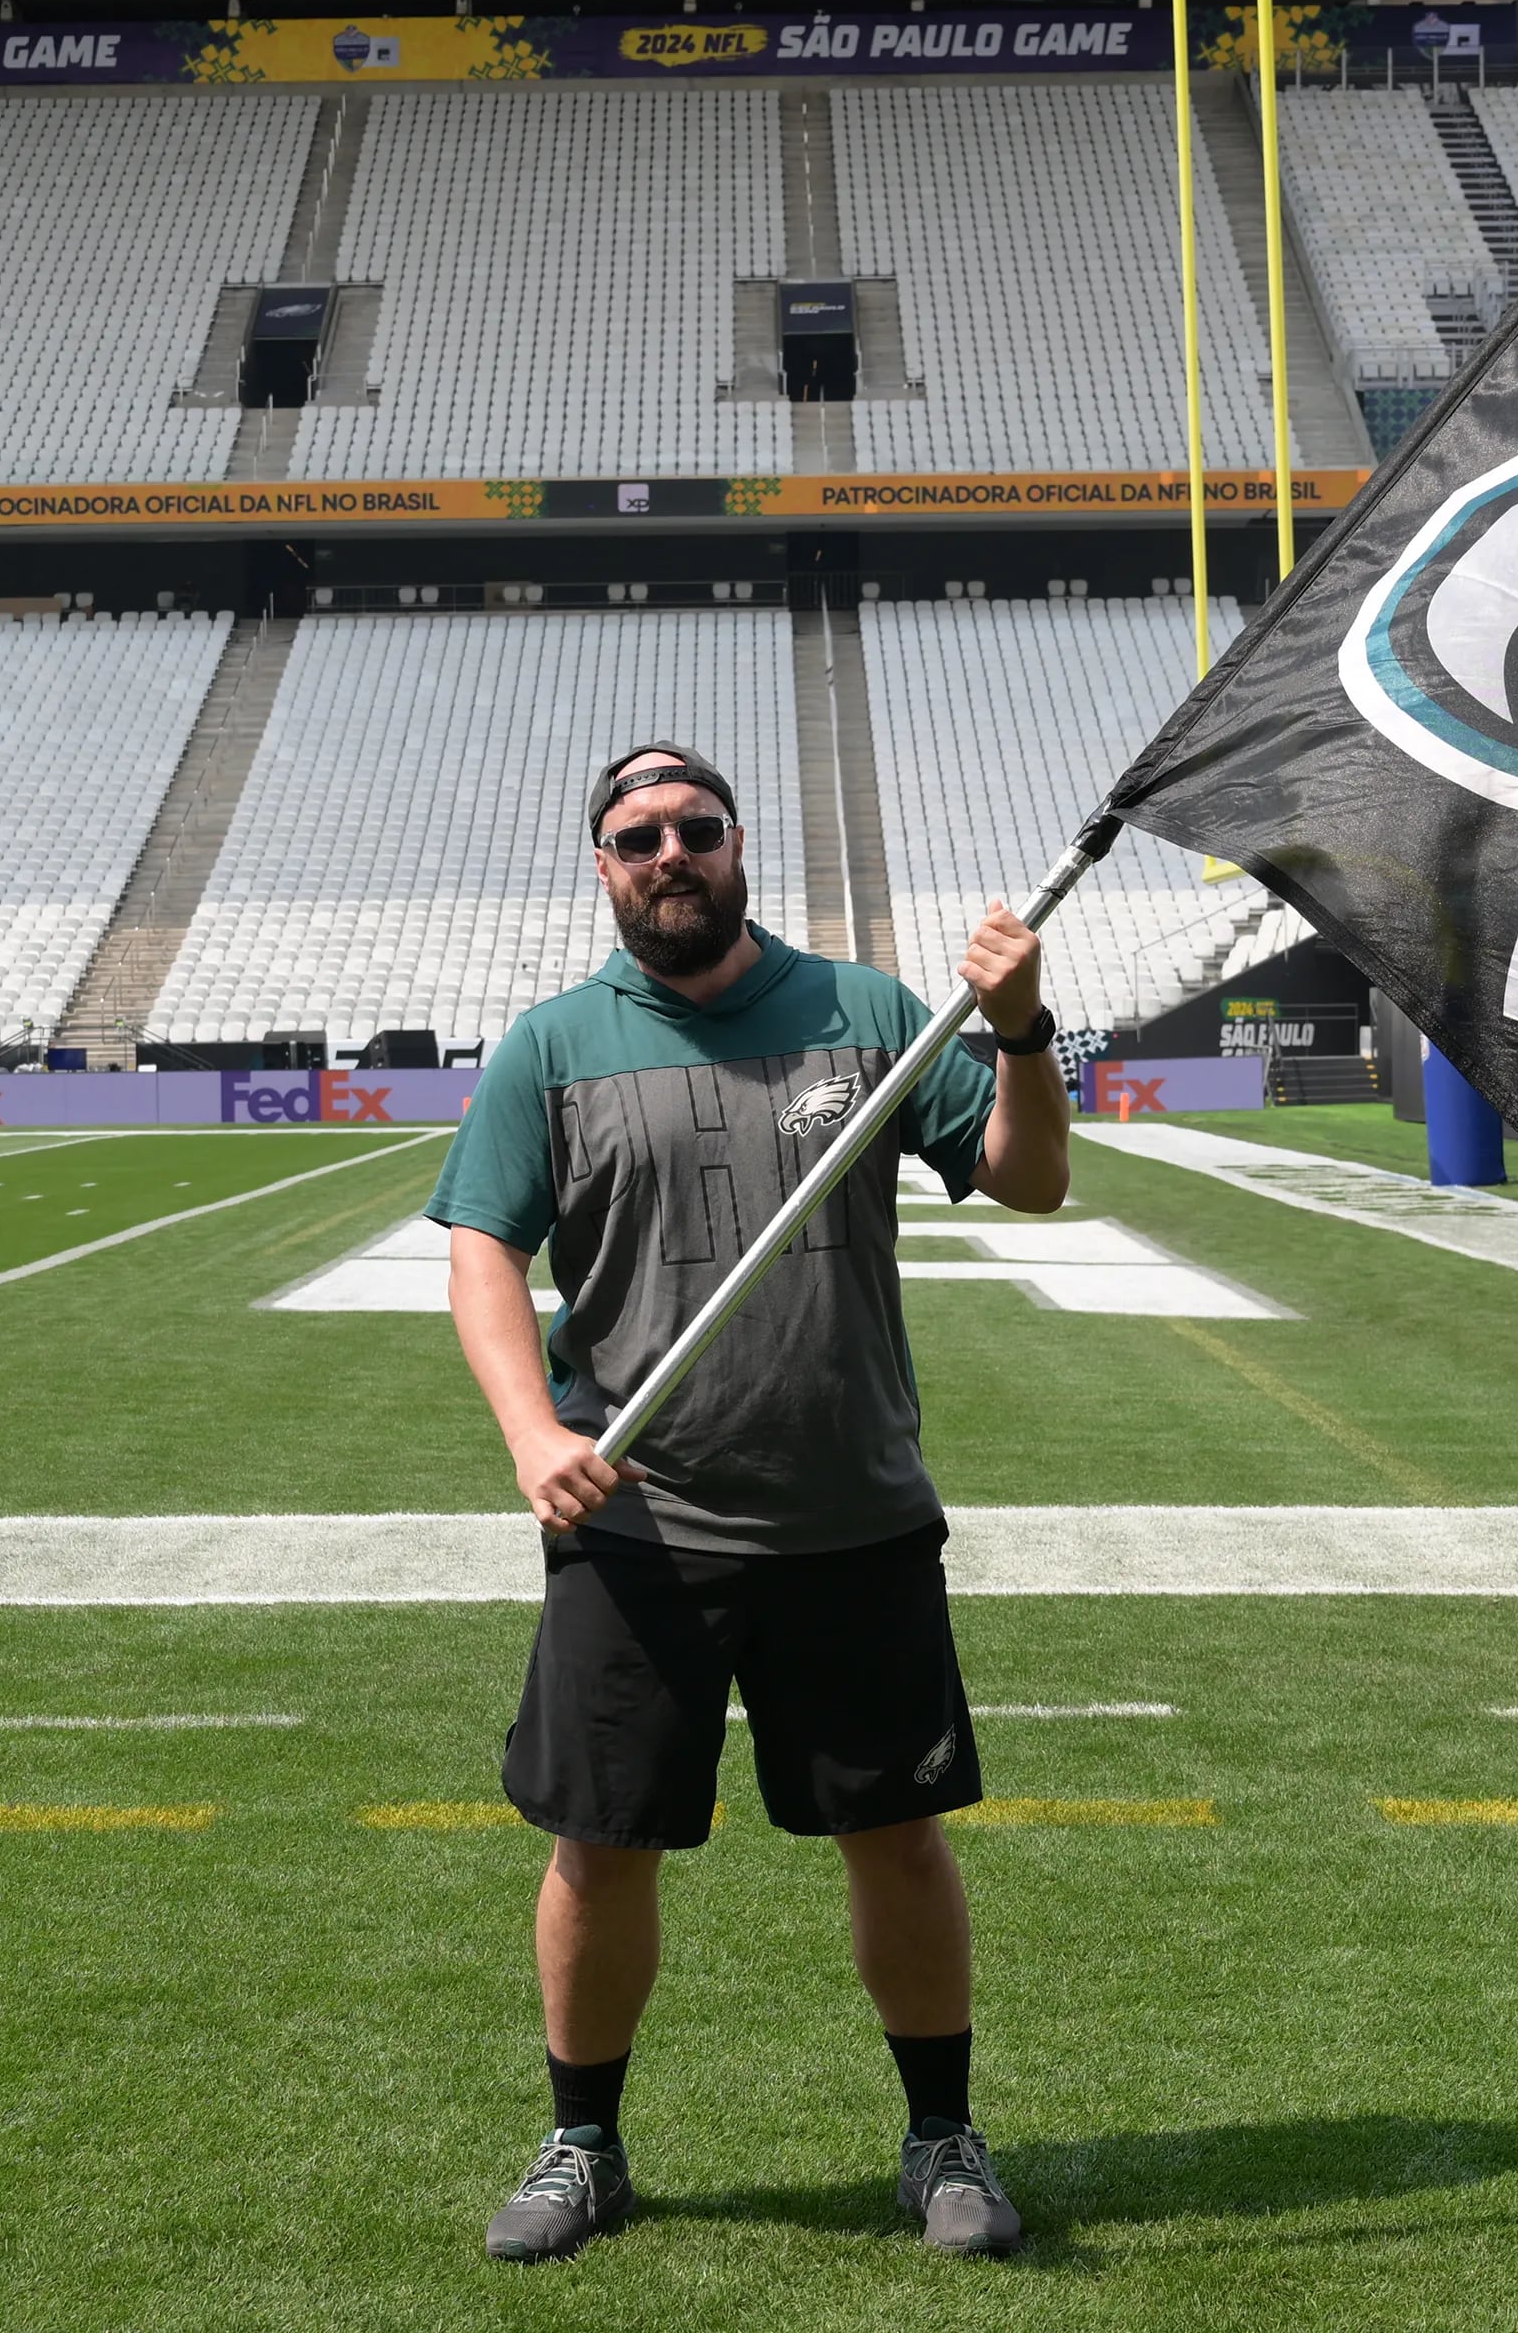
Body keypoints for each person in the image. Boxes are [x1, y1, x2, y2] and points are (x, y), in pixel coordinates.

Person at [430, 740, 1072, 2266]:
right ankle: (583, 2140)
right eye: (639, 835)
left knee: (900, 1837)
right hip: (635, 1530)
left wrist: (1026, 1031)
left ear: (738, 850)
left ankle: (941, 2139)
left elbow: (1030, 1178)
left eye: (697, 829)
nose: (671, 854)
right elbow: (479, 1253)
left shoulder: (863, 1013)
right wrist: (532, 1437)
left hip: (850, 1513)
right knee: (600, 1844)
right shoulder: (552, 1047)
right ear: (603, 867)